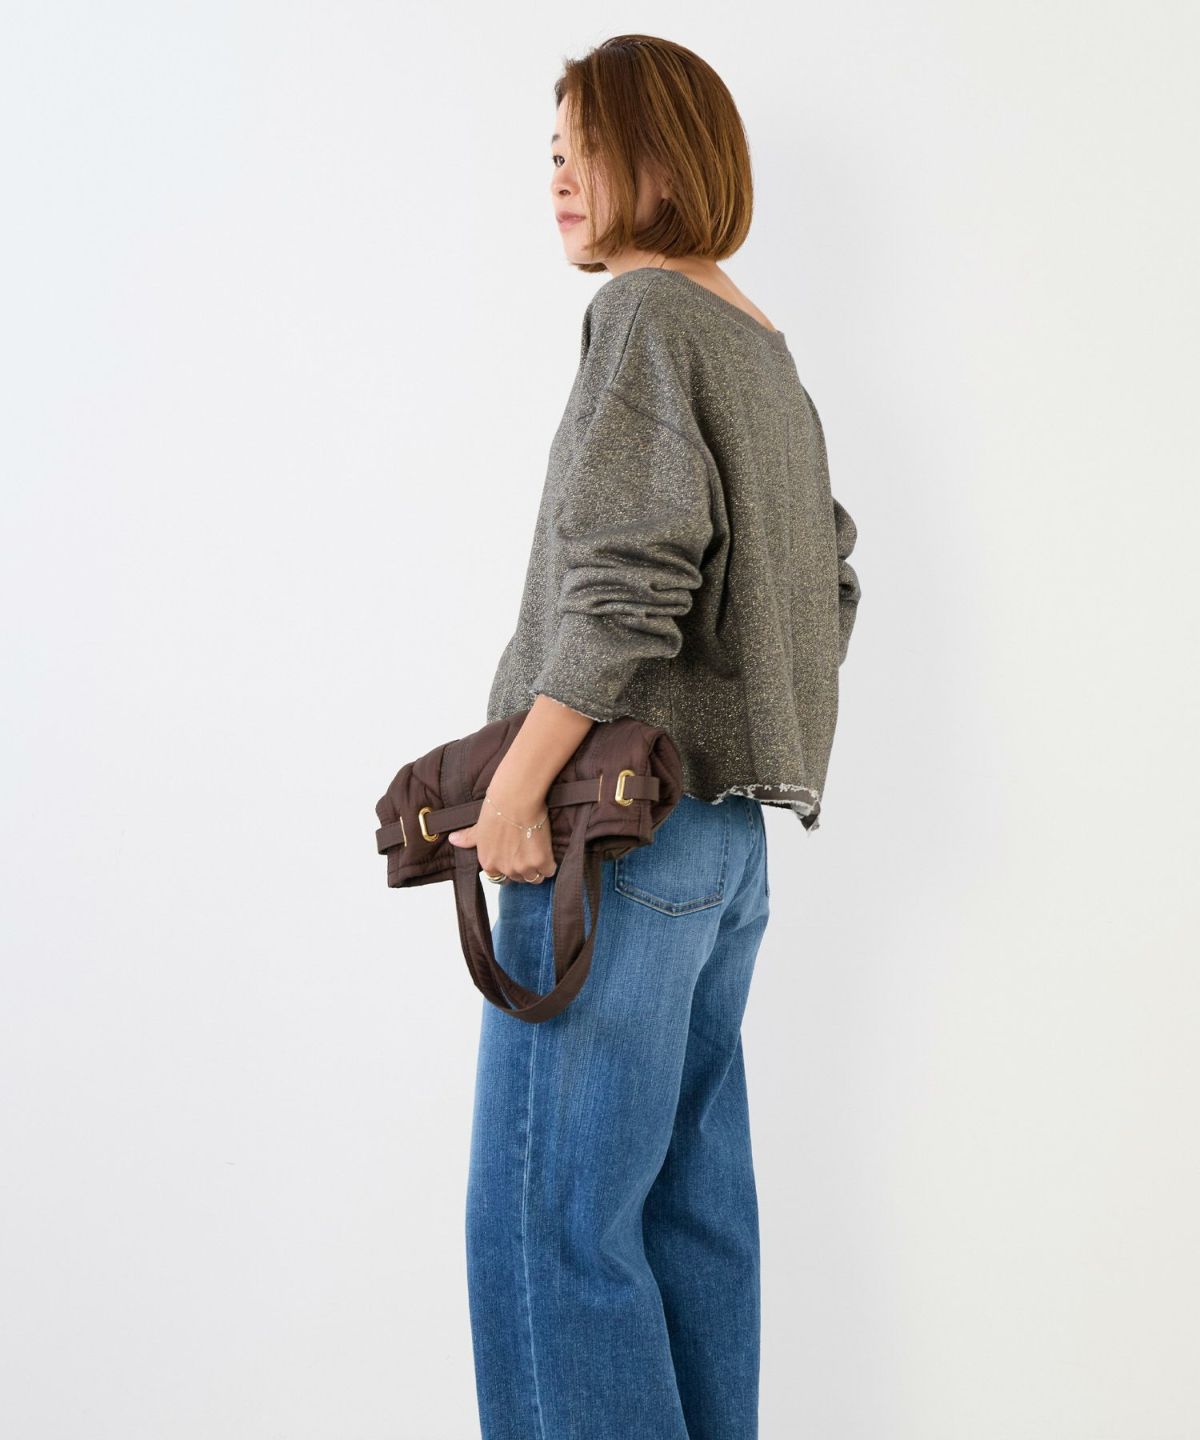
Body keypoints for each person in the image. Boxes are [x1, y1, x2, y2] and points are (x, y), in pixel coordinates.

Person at [446, 33, 862, 1440]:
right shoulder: (759, 345)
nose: (560, 179)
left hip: (615, 841)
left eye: (588, 149)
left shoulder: (643, 318)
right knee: (688, 1218)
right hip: (722, 845)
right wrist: (755, 722)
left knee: (550, 1219)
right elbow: (826, 577)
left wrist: (518, 788)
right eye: (553, 154)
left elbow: (630, 579)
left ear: (667, 161)